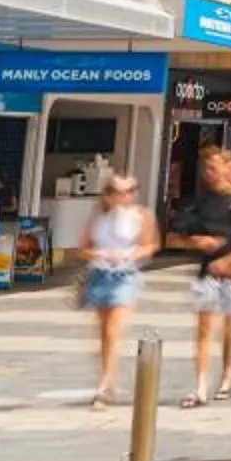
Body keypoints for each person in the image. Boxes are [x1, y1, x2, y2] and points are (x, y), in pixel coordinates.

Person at [172, 145, 231, 409]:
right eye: (205, 168)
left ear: (229, 168)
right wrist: (199, 242)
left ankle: (227, 376)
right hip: (207, 271)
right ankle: (200, 386)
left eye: (213, 167)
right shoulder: (202, 201)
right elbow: (180, 234)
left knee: (230, 328)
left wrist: (230, 261)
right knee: (204, 329)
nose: (208, 173)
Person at [76, 173, 157, 408]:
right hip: (100, 274)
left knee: (114, 330)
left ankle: (104, 386)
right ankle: (108, 379)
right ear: (109, 194)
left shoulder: (142, 215)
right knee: (102, 332)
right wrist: (101, 254)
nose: (127, 196)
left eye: (131, 190)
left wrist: (129, 255)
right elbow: (83, 248)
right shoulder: (98, 216)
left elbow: (151, 245)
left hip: (126, 276)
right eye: (121, 192)